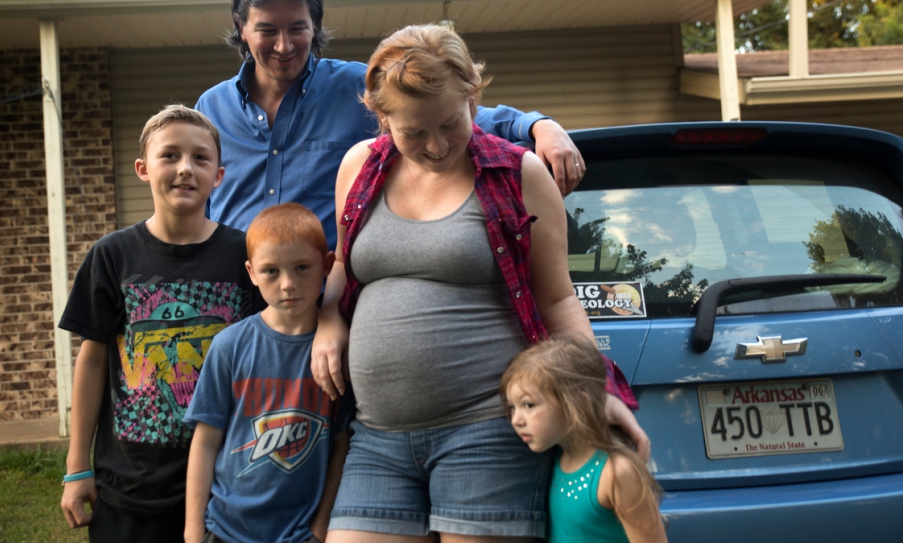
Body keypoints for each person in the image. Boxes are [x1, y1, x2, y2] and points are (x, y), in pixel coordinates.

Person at [311, 25, 645, 542]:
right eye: (414, 132)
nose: (437, 145)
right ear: (382, 118)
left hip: (489, 431)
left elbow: (557, 299)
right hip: (376, 437)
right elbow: (342, 267)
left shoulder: (518, 174)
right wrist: (330, 319)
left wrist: (598, 389)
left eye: (449, 123)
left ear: (473, 96)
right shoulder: (359, 167)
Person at [196, 0, 586, 249]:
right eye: (267, 30)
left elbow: (450, 115)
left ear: (314, 26)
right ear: (242, 27)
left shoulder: (354, 86)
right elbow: (200, 204)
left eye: (297, 28)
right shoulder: (210, 108)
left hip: (328, 307)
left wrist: (539, 126)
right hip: (241, 306)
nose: (284, 45)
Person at [58, 105, 261, 542]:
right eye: (169, 155)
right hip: (130, 489)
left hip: (227, 485)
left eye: (200, 158)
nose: (185, 169)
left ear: (219, 175)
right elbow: (92, 362)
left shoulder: (245, 255)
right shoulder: (112, 256)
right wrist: (78, 467)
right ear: (143, 169)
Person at [184, 203, 354, 543]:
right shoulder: (229, 346)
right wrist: (192, 533)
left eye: (302, 267)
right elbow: (204, 443)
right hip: (227, 530)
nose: (288, 284)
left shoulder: (338, 352)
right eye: (271, 271)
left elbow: (340, 445)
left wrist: (320, 528)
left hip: (300, 533)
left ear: (327, 264)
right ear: (251, 272)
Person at [500, 338, 666, 543]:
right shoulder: (552, 463)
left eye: (529, 405)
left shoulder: (616, 472)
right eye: (513, 408)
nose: (516, 420)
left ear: (578, 403)